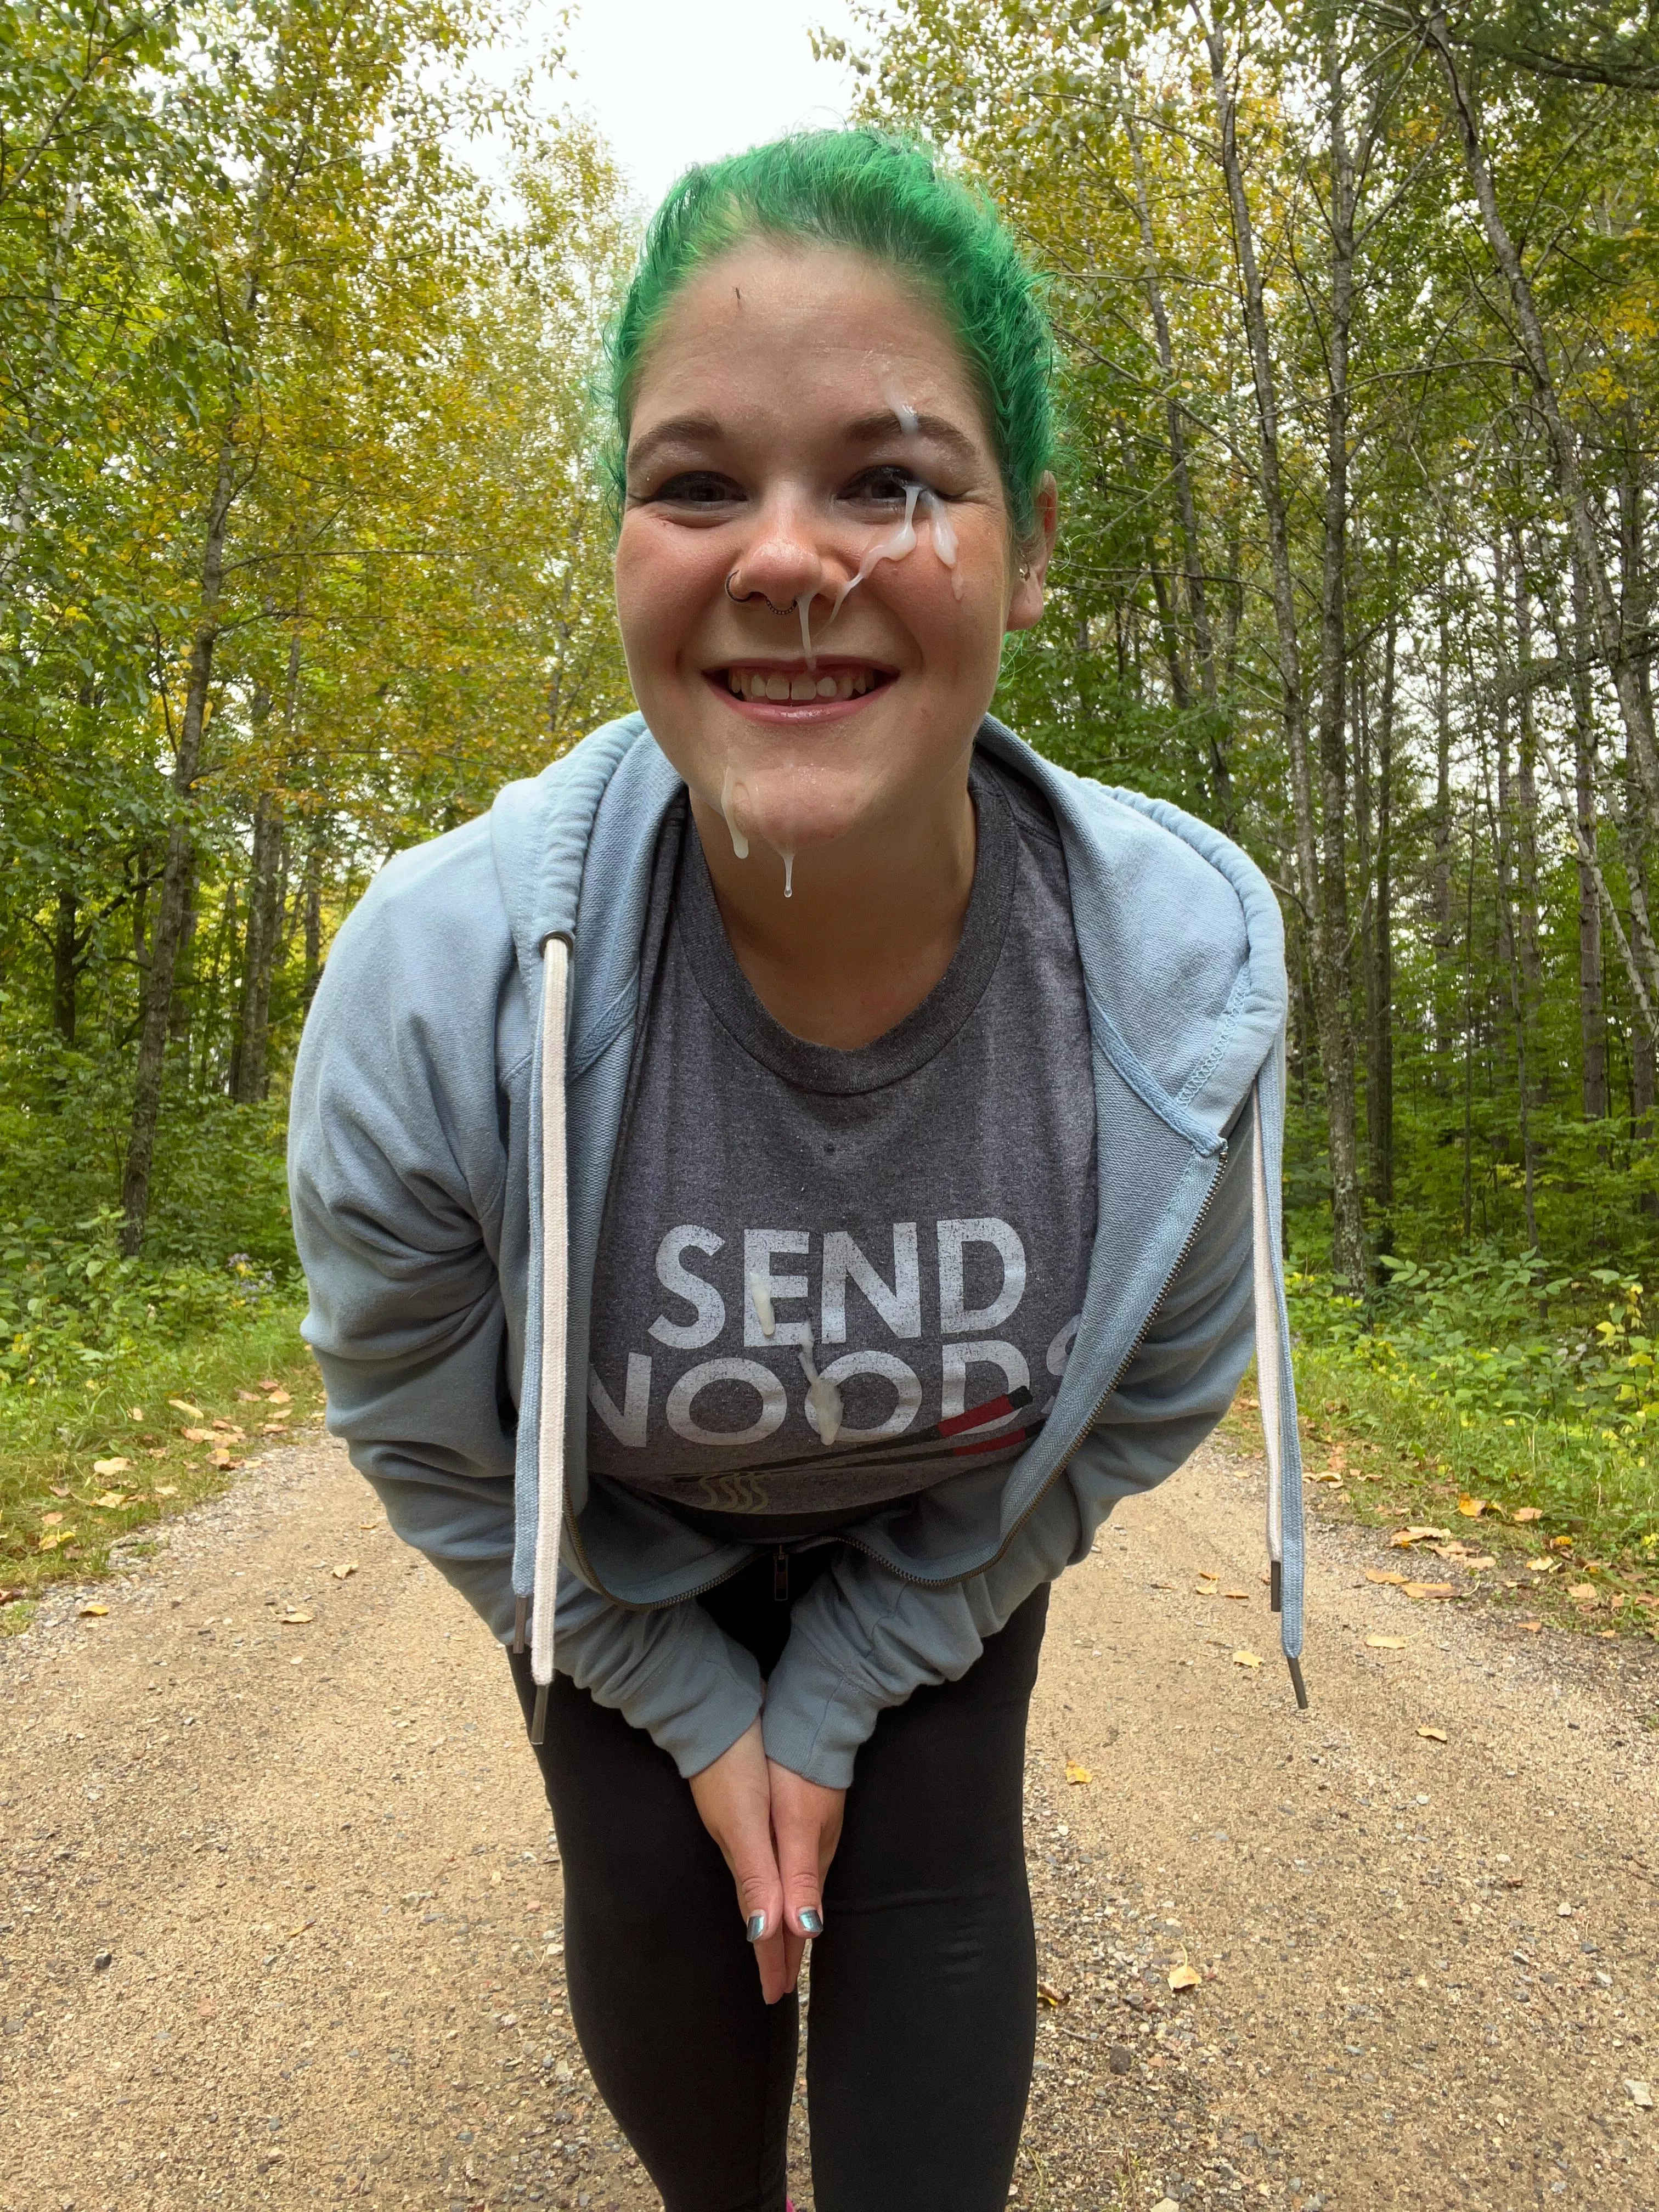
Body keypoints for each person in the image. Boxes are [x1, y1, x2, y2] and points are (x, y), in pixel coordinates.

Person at [289, 129, 1305, 2212]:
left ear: (1025, 550)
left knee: (929, 1913)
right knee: (669, 1934)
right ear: (625, 546)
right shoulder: (435, 987)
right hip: (610, 1554)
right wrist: (674, 1689)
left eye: (887, 476)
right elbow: (418, 1417)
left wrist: (846, 1682)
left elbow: (1149, 1395)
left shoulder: (1178, 980)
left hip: (935, 1545)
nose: (783, 554)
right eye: (695, 481)